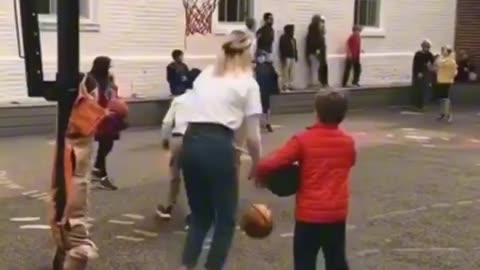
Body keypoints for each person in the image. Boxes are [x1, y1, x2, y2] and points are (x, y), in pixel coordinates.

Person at [177, 30, 262, 270]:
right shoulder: (248, 83)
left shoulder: (206, 75)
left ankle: (185, 266)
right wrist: (256, 163)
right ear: (248, 54)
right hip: (218, 145)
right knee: (225, 219)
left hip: (191, 141)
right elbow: (253, 136)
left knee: (200, 216)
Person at [255, 90, 355, 270]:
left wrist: (261, 174)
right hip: (336, 214)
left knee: (304, 262)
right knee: (336, 259)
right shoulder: (348, 142)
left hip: (309, 215)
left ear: (316, 112)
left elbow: (272, 163)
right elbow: (351, 161)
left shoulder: (303, 140)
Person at [53, 73, 100, 270]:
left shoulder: (80, 114)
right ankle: (67, 253)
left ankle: (64, 252)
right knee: (72, 224)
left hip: (72, 166)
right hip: (74, 169)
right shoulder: (85, 111)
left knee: (66, 220)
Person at [156, 68, 201, 229]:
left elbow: (167, 123)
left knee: (175, 175)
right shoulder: (207, 101)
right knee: (195, 178)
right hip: (199, 138)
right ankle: (193, 214)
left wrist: (164, 140)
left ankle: (168, 207)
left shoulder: (179, 100)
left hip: (178, 138)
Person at [90, 56, 121, 190]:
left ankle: (98, 171)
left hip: (109, 116)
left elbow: (112, 93)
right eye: (108, 65)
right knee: (103, 144)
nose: (109, 68)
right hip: (97, 116)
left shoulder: (107, 78)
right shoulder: (90, 80)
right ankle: (99, 172)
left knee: (107, 144)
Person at [256, 50, 279, 132]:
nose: (261, 58)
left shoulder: (269, 67)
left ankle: (267, 123)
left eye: (262, 56)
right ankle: (262, 123)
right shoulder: (255, 67)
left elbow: (274, 76)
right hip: (258, 90)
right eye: (259, 56)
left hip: (265, 89)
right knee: (260, 107)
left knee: (266, 107)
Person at [434, 46, 457, 123]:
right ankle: (442, 113)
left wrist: (439, 57)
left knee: (445, 98)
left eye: (444, 51)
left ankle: (448, 115)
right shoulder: (446, 59)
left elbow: (439, 63)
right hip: (441, 80)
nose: (442, 52)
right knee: (441, 98)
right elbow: (437, 66)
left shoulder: (450, 60)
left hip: (446, 81)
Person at [411, 40, 435, 110]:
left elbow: (433, 62)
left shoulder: (429, 54)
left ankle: (423, 104)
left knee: (424, 89)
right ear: (422, 47)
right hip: (419, 73)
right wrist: (418, 73)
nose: (427, 49)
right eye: (426, 47)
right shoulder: (418, 54)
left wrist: (430, 66)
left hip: (426, 73)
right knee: (419, 89)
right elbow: (415, 65)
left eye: (428, 47)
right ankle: (418, 104)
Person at [279, 24, 298, 91]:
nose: (293, 31)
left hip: (292, 57)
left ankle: (290, 85)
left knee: (292, 72)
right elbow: (282, 48)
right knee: (285, 72)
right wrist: (283, 57)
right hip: (286, 57)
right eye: (292, 30)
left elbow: (295, 48)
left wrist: (296, 56)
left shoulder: (293, 38)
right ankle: (285, 85)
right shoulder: (283, 38)